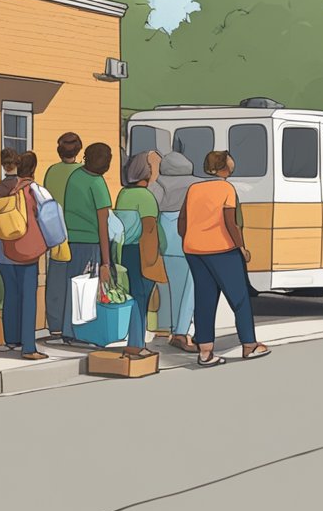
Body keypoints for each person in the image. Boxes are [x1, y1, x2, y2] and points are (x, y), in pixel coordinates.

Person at [180, 151, 270, 366]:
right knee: (238, 297)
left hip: (193, 250)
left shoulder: (193, 188)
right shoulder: (226, 188)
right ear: (224, 167)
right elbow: (230, 222)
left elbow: (182, 220)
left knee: (204, 299)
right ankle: (249, 345)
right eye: (230, 161)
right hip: (222, 250)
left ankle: (205, 351)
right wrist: (241, 248)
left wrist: (190, 239)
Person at [0, 150, 49, 361]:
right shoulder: (33, 190)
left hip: (3, 251)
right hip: (26, 250)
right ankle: (28, 347)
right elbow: (48, 216)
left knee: (10, 293)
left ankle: (11, 339)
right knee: (28, 296)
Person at [52, 142, 115, 346]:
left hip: (72, 239)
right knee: (86, 287)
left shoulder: (76, 176)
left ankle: (69, 330)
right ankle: (79, 332)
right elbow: (103, 225)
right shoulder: (97, 183)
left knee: (74, 285)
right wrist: (106, 262)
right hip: (90, 242)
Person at [115, 151, 163, 359]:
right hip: (142, 251)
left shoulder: (123, 194)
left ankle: (134, 341)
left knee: (132, 295)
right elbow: (150, 229)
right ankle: (136, 344)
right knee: (140, 298)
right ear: (147, 171)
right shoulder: (146, 197)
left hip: (124, 249)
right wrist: (153, 261)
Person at [152, 151, 198, 352]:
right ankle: (181, 331)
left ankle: (164, 328)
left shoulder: (158, 184)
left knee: (164, 285)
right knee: (188, 290)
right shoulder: (196, 185)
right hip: (187, 238)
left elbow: (152, 209)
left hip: (164, 237)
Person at [42, 132, 83, 340]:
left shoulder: (51, 172)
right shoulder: (83, 173)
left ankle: (55, 324)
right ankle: (74, 324)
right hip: (78, 233)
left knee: (56, 279)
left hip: (55, 232)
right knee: (77, 280)